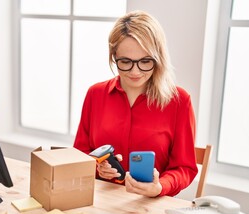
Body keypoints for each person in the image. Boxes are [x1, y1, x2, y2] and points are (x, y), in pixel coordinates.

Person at [73, 10, 198, 197]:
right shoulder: (95, 94)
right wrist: (97, 168)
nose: (135, 71)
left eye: (145, 61)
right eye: (125, 61)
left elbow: (184, 168)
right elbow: (79, 155)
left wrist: (160, 186)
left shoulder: (180, 101)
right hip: (101, 201)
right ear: (113, 56)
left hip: (151, 206)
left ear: (158, 58)